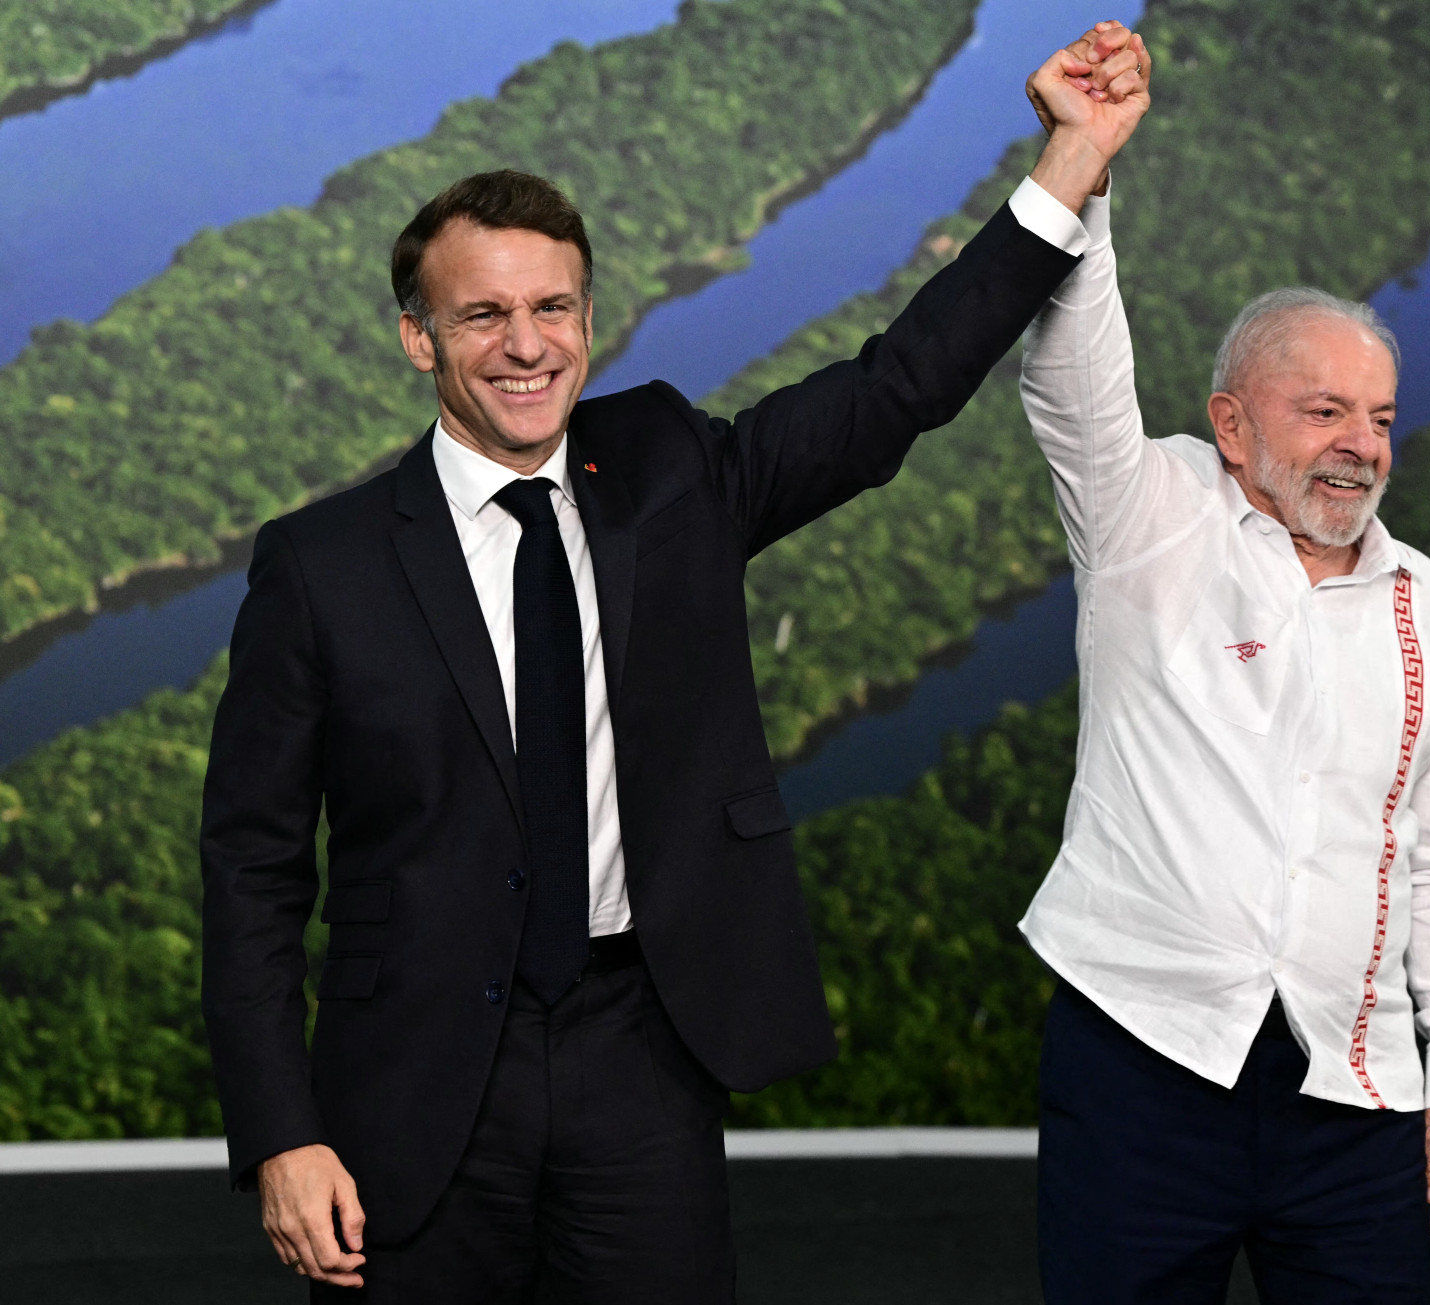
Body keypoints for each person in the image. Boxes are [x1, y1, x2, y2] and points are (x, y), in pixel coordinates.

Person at [198, 22, 1150, 1302]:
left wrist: (1072, 161)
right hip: (410, 1081)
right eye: (482, 314)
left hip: (637, 1050)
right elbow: (251, 866)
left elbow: (894, 391)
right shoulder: (321, 565)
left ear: (589, 318)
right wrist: (279, 1131)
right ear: (420, 339)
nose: (527, 344)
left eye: (553, 309)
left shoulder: (668, 472)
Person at [1014, 68, 1430, 1302]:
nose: (1361, 445)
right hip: (1141, 1071)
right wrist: (1087, 163)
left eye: (1381, 419)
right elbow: (1072, 368)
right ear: (1232, 425)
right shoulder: (1150, 517)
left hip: (1354, 1102)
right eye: (1325, 411)